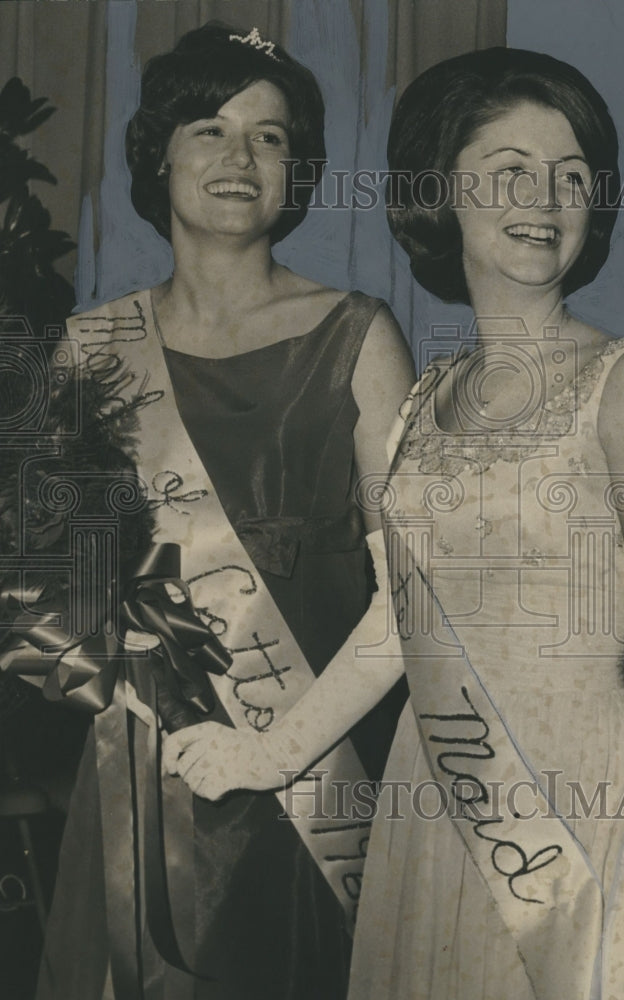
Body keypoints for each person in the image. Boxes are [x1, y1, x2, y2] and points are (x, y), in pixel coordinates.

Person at [166, 46, 624, 1000]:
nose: (542, 199)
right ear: (441, 193)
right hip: (433, 808)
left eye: (569, 176)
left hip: (586, 824)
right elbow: (403, 625)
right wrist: (267, 753)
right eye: (508, 170)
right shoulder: (426, 400)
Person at [35, 21, 414, 1000]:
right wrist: (122, 694)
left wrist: (274, 747)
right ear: (156, 153)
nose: (241, 156)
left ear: (299, 171)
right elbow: (56, 595)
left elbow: (413, 595)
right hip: (146, 772)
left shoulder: (356, 336)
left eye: (272, 136)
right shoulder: (89, 346)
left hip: (316, 775)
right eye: (209, 126)